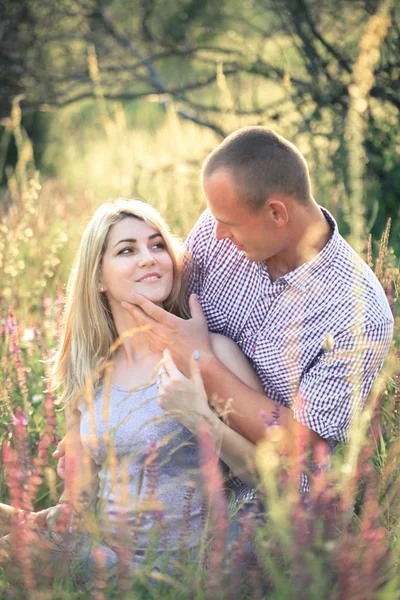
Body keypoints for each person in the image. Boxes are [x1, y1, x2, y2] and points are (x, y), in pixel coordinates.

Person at [0, 198, 263, 582]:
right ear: (98, 278)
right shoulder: (89, 368)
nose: (149, 258)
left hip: (182, 568)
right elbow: (77, 502)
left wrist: (200, 419)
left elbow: (272, 476)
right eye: (128, 250)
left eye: (158, 245)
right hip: (101, 553)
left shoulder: (210, 353)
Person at [121, 126, 394, 458]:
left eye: (229, 224)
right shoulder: (216, 228)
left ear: (276, 213)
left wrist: (202, 362)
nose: (216, 233)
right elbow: (169, 323)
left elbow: (309, 444)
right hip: (179, 453)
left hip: (265, 495)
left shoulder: (359, 315)